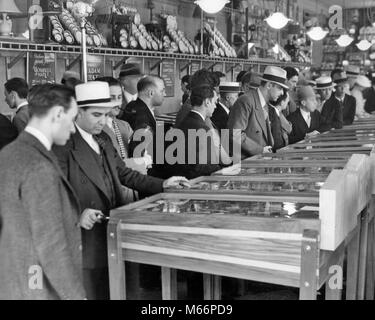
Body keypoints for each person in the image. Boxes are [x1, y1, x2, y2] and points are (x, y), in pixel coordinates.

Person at [52, 81, 189, 300]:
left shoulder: (103, 139)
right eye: (97, 115)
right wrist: (76, 214)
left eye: (106, 114)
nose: (103, 121)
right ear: (77, 113)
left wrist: (162, 184)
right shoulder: (62, 145)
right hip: (84, 239)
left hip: (112, 229)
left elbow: (125, 174)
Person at [0, 84, 86, 300]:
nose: (74, 128)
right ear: (58, 114)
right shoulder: (39, 166)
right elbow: (51, 246)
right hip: (39, 287)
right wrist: (76, 296)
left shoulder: (10, 153)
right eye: (72, 118)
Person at [227, 66, 287, 160]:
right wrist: (261, 150)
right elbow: (235, 134)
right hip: (246, 164)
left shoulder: (264, 103)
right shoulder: (246, 101)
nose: (282, 93)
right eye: (280, 88)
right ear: (269, 85)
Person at [173, 85, 222, 179]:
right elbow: (202, 165)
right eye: (215, 102)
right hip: (194, 181)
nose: (215, 106)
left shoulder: (187, 120)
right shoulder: (202, 129)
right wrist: (222, 170)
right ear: (207, 102)